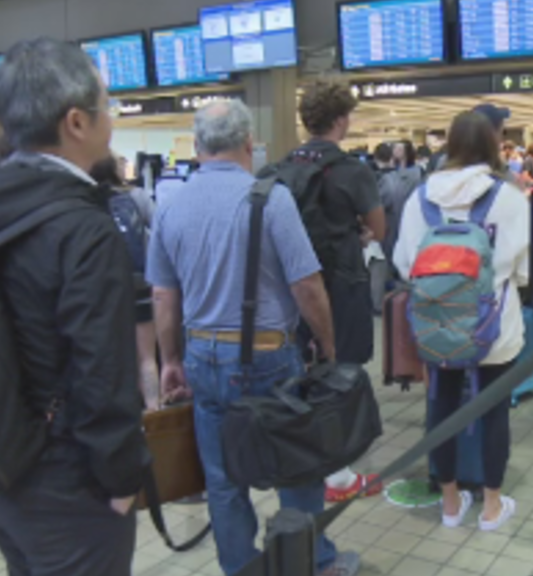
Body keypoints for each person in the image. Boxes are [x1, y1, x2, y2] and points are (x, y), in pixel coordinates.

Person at [0, 38, 148, 576]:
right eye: (110, 107)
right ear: (76, 122)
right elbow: (101, 371)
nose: (113, 120)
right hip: (66, 481)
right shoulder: (82, 229)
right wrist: (123, 477)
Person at [147, 99, 359, 576]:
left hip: (202, 354)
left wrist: (170, 360)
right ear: (249, 143)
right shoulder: (271, 199)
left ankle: (241, 568)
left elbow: (163, 295)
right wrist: (327, 346)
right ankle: (312, 561)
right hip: (269, 356)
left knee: (222, 480)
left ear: (197, 145)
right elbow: (307, 286)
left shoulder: (170, 204)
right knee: (297, 465)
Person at [393, 110, 528, 530]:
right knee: (494, 412)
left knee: (442, 407)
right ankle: (491, 506)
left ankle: (450, 503)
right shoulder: (508, 197)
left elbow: (403, 263)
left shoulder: (421, 198)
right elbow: (525, 271)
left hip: (437, 327)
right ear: (493, 144)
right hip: (494, 328)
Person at [294, 80, 386, 502]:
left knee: (303, 370)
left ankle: (308, 460)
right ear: (340, 120)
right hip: (342, 286)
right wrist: (358, 235)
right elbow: (378, 228)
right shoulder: (353, 170)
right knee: (342, 370)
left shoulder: (280, 169)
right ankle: (340, 474)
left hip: (294, 288)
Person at [90, 154, 160, 410]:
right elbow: (161, 228)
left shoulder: (84, 202)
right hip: (140, 284)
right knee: (147, 359)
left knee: (114, 359)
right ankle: (155, 415)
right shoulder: (136, 196)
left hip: (104, 289)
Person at [377, 142, 422, 263]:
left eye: (398, 149)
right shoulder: (420, 175)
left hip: (394, 222)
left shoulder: (391, 179)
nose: (394, 150)